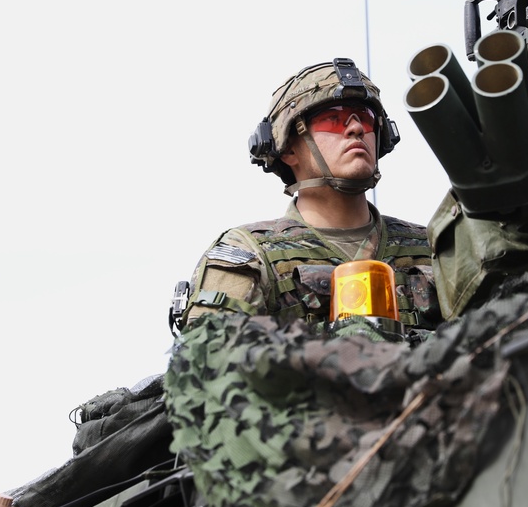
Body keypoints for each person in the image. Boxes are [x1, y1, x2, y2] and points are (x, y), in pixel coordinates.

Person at [178, 57, 441, 334]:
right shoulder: (249, 254)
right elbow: (207, 364)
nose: (356, 129)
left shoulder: (433, 248)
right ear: (289, 150)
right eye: (333, 119)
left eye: (365, 118)